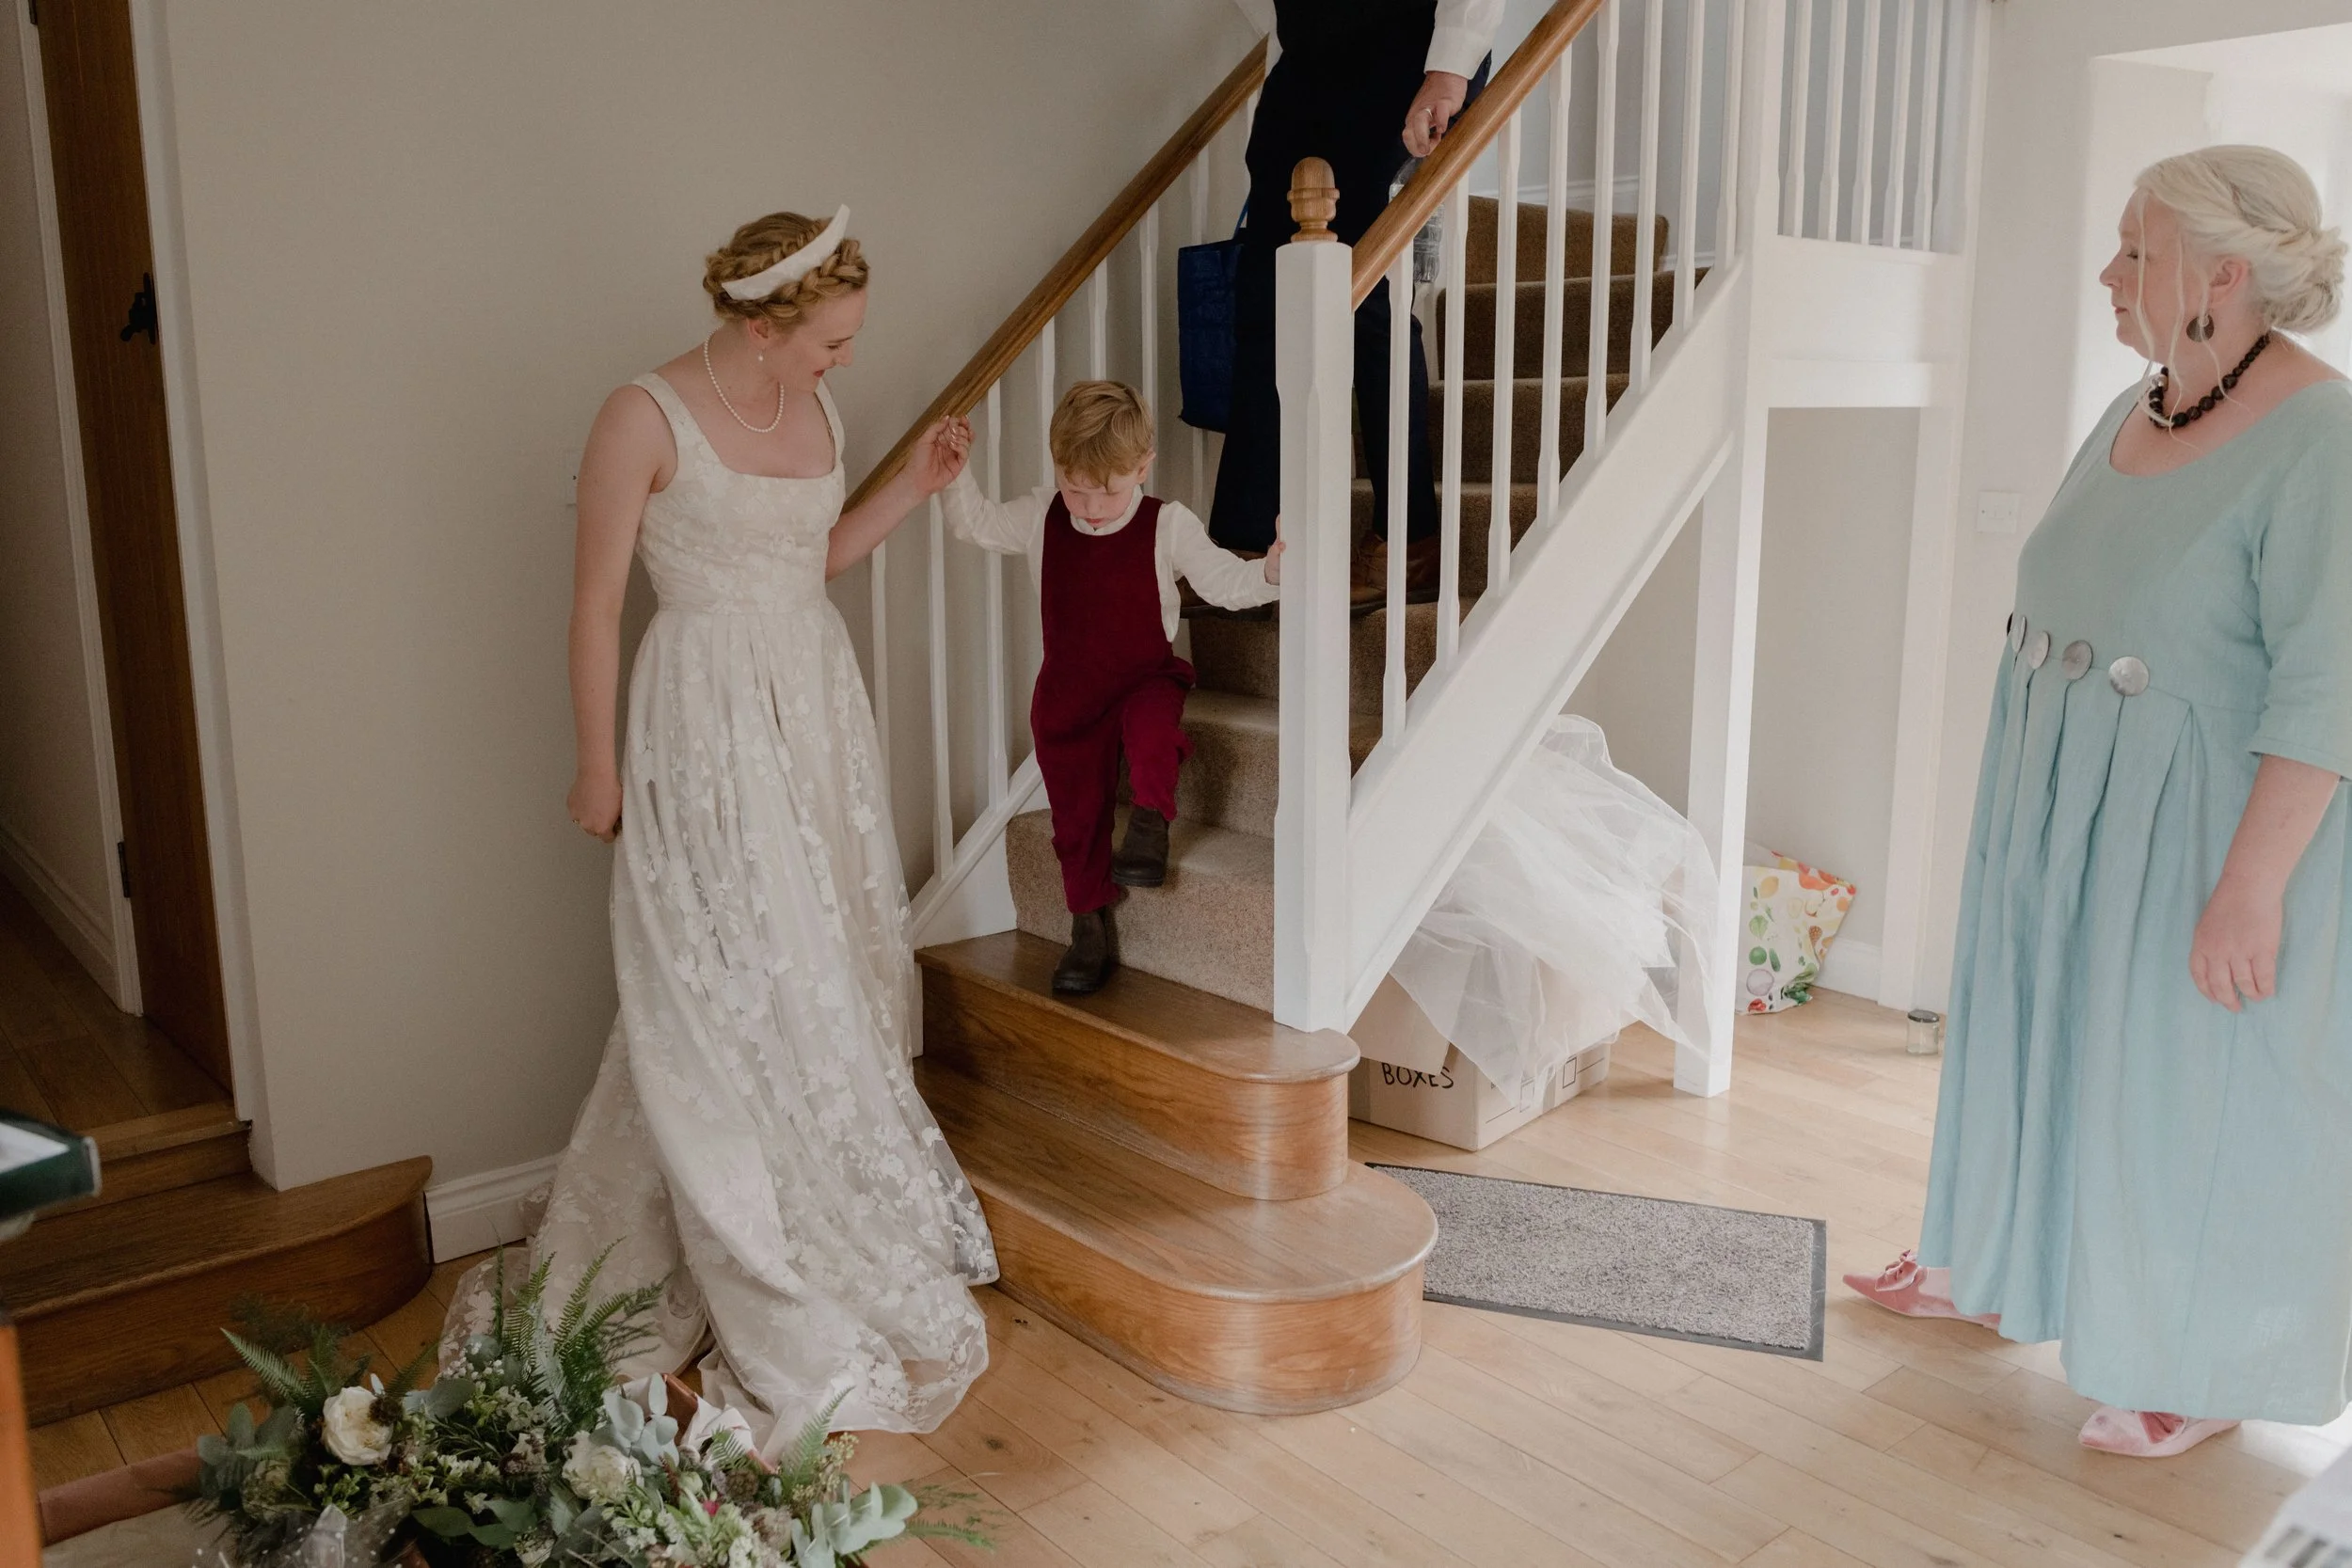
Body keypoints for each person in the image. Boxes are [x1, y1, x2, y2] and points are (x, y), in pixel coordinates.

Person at [443, 208, 997, 1449]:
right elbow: (594, 608)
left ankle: (816, 1209)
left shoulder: (825, 414)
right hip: (701, 725)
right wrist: (598, 767)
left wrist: (912, 484)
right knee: (715, 988)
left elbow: (813, 562)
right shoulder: (641, 416)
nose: (842, 360)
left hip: (813, 711)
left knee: (820, 973)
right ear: (762, 321)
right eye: (830, 340)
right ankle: (739, 1242)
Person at [1847, 146, 2352, 1459]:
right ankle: (1990, 1250)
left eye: (2137, 248)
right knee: (2032, 1028)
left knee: (2192, 1088)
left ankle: (2205, 1354)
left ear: (2221, 278)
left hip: (2198, 828)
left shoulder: (2324, 438)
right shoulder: (2151, 398)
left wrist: (2250, 887)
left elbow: (2330, 686)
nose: (2110, 271)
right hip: (2069, 797)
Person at [939, 382, 1282, 994]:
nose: (1092, 507)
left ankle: (1151, 821)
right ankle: (1087, 922)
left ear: (1142, 468)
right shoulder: (1042, 514)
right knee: (1075, 816)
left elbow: (1226, 581)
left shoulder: (1165, 524)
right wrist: (955, 475)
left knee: (1152, 735)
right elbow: (976, 525)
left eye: (1110, 491)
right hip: (1070, 694)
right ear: (1057, 470)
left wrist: (1271, 570)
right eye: (1077, 489)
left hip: (1143, 677)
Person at [1213, 0, 1501, 608]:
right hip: (1313, 55)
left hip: (1405, 43)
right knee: (1264, 293)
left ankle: (1409, 537)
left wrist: (1450, 65)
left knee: (1365, 291)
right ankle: (1246, 538)